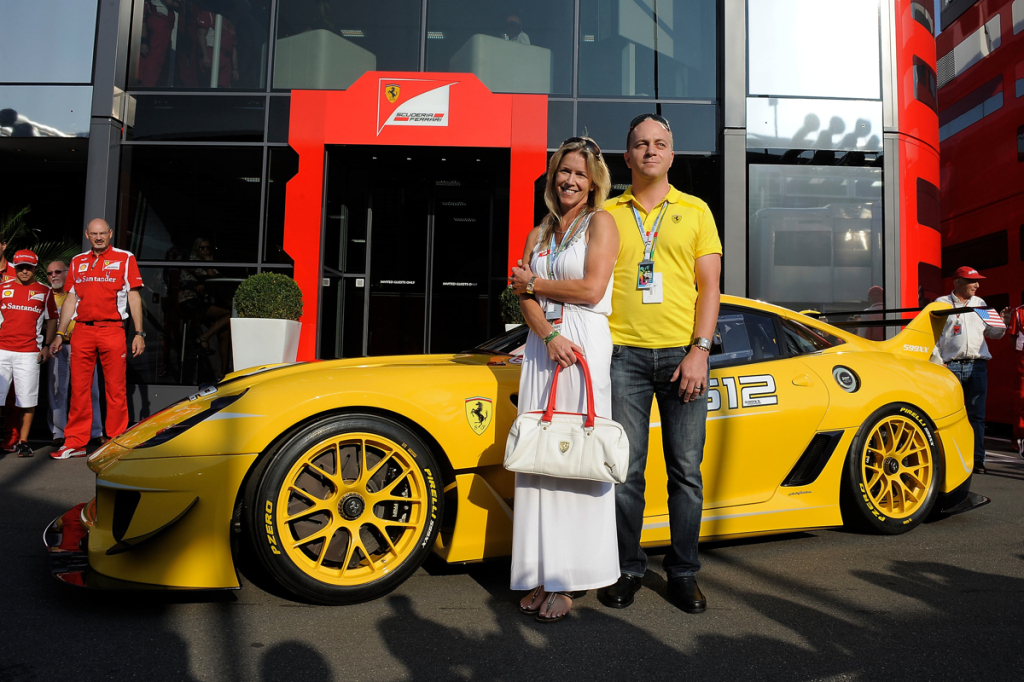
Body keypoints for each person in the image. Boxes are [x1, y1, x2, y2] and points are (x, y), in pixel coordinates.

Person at [597, 113, 722, 614]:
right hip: (621, 356)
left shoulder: (695, 211)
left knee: (685, 472)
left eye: (660, 143)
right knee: (625, 473)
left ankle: (683, 573)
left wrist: (700, 350)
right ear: (627, 157)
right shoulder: (606, 213)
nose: (650, 151)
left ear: (672, 155)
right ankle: (628, 568)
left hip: (681, 357)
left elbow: (710, 287)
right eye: (640, 145)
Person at [508, 136, 619, 623]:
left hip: (583, 344)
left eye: (579, 173)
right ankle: (540, 574)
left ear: (594, 180)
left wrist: (533, 284)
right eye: (563, 172)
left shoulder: (603, 223)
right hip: (544, 343)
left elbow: (592, 289)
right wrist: (547, 332)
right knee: (540, 454)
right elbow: (519, 292)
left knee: (576, 452)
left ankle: (570, 580)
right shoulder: (539, 233)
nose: (570, 180)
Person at [49, 219, 146, 460]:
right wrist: (60, 334)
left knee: (116, 388)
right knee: (79, 389)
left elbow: (134, 297)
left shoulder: (125, 258)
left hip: (112, 329)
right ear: (87, 235)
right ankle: (75, 443)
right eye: (94, 234)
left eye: (103, 233)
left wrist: (139, 333)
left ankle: (116, 442)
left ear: (111, 233)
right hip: (82, 330)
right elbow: (71, 300)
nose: (99, 237)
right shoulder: (77, 261)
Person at [930, 266, 1005, 474]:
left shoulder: (980, 303)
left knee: (977, 416)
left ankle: (977, 460)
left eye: (978, 281)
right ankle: (947, 460)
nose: (977, 285)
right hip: (949, 366)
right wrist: (938, 362)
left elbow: (993, 333)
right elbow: (931, 335)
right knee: (946, 415)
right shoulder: (941, 304)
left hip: (977, 365)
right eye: (973, 281)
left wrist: (1002, 323)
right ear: (958, 282)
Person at [0, 251, 57, 457]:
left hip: (29, 353)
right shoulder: (2, 288)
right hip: (1, 351)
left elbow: (52, 320)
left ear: (36, 267)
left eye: (29, 267)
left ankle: (23, 442)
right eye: (20, 267)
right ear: (14, 267)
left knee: (27, 400)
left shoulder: (44, 290)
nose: (24, 271)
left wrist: (47, 345)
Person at [44, 260, 103, 447]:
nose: (53, 276)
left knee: (91, 391)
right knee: (57, 390)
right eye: (49, 273)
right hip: (57, 347)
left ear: (68, 273)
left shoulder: (80, 290)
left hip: (82, 346)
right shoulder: (45, 295)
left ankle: (95, 432)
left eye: (58, 272)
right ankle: (58, 433)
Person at [178, 237, 231, 379]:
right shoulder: (193, 264)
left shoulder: (209, 265)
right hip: (190, 302)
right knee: (231, 314)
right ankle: (204, 338)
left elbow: (216, 283)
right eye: (202, 248)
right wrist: (208, 262)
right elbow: (211, 278)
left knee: (225, 331)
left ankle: (223, 373)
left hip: (204, 302)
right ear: (196, 249)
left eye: (208, 248)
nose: (205, 250)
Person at [0, 237, 21, 451]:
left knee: (11, 394)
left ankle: (11, 436)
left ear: (4, 245)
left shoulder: (19, 271)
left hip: (11, 340)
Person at [1007, 304, 1024, 458]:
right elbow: (1012, 337)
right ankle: (1019, 439)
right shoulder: (1019, 312)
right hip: (1023, 359)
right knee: (1021, 401)